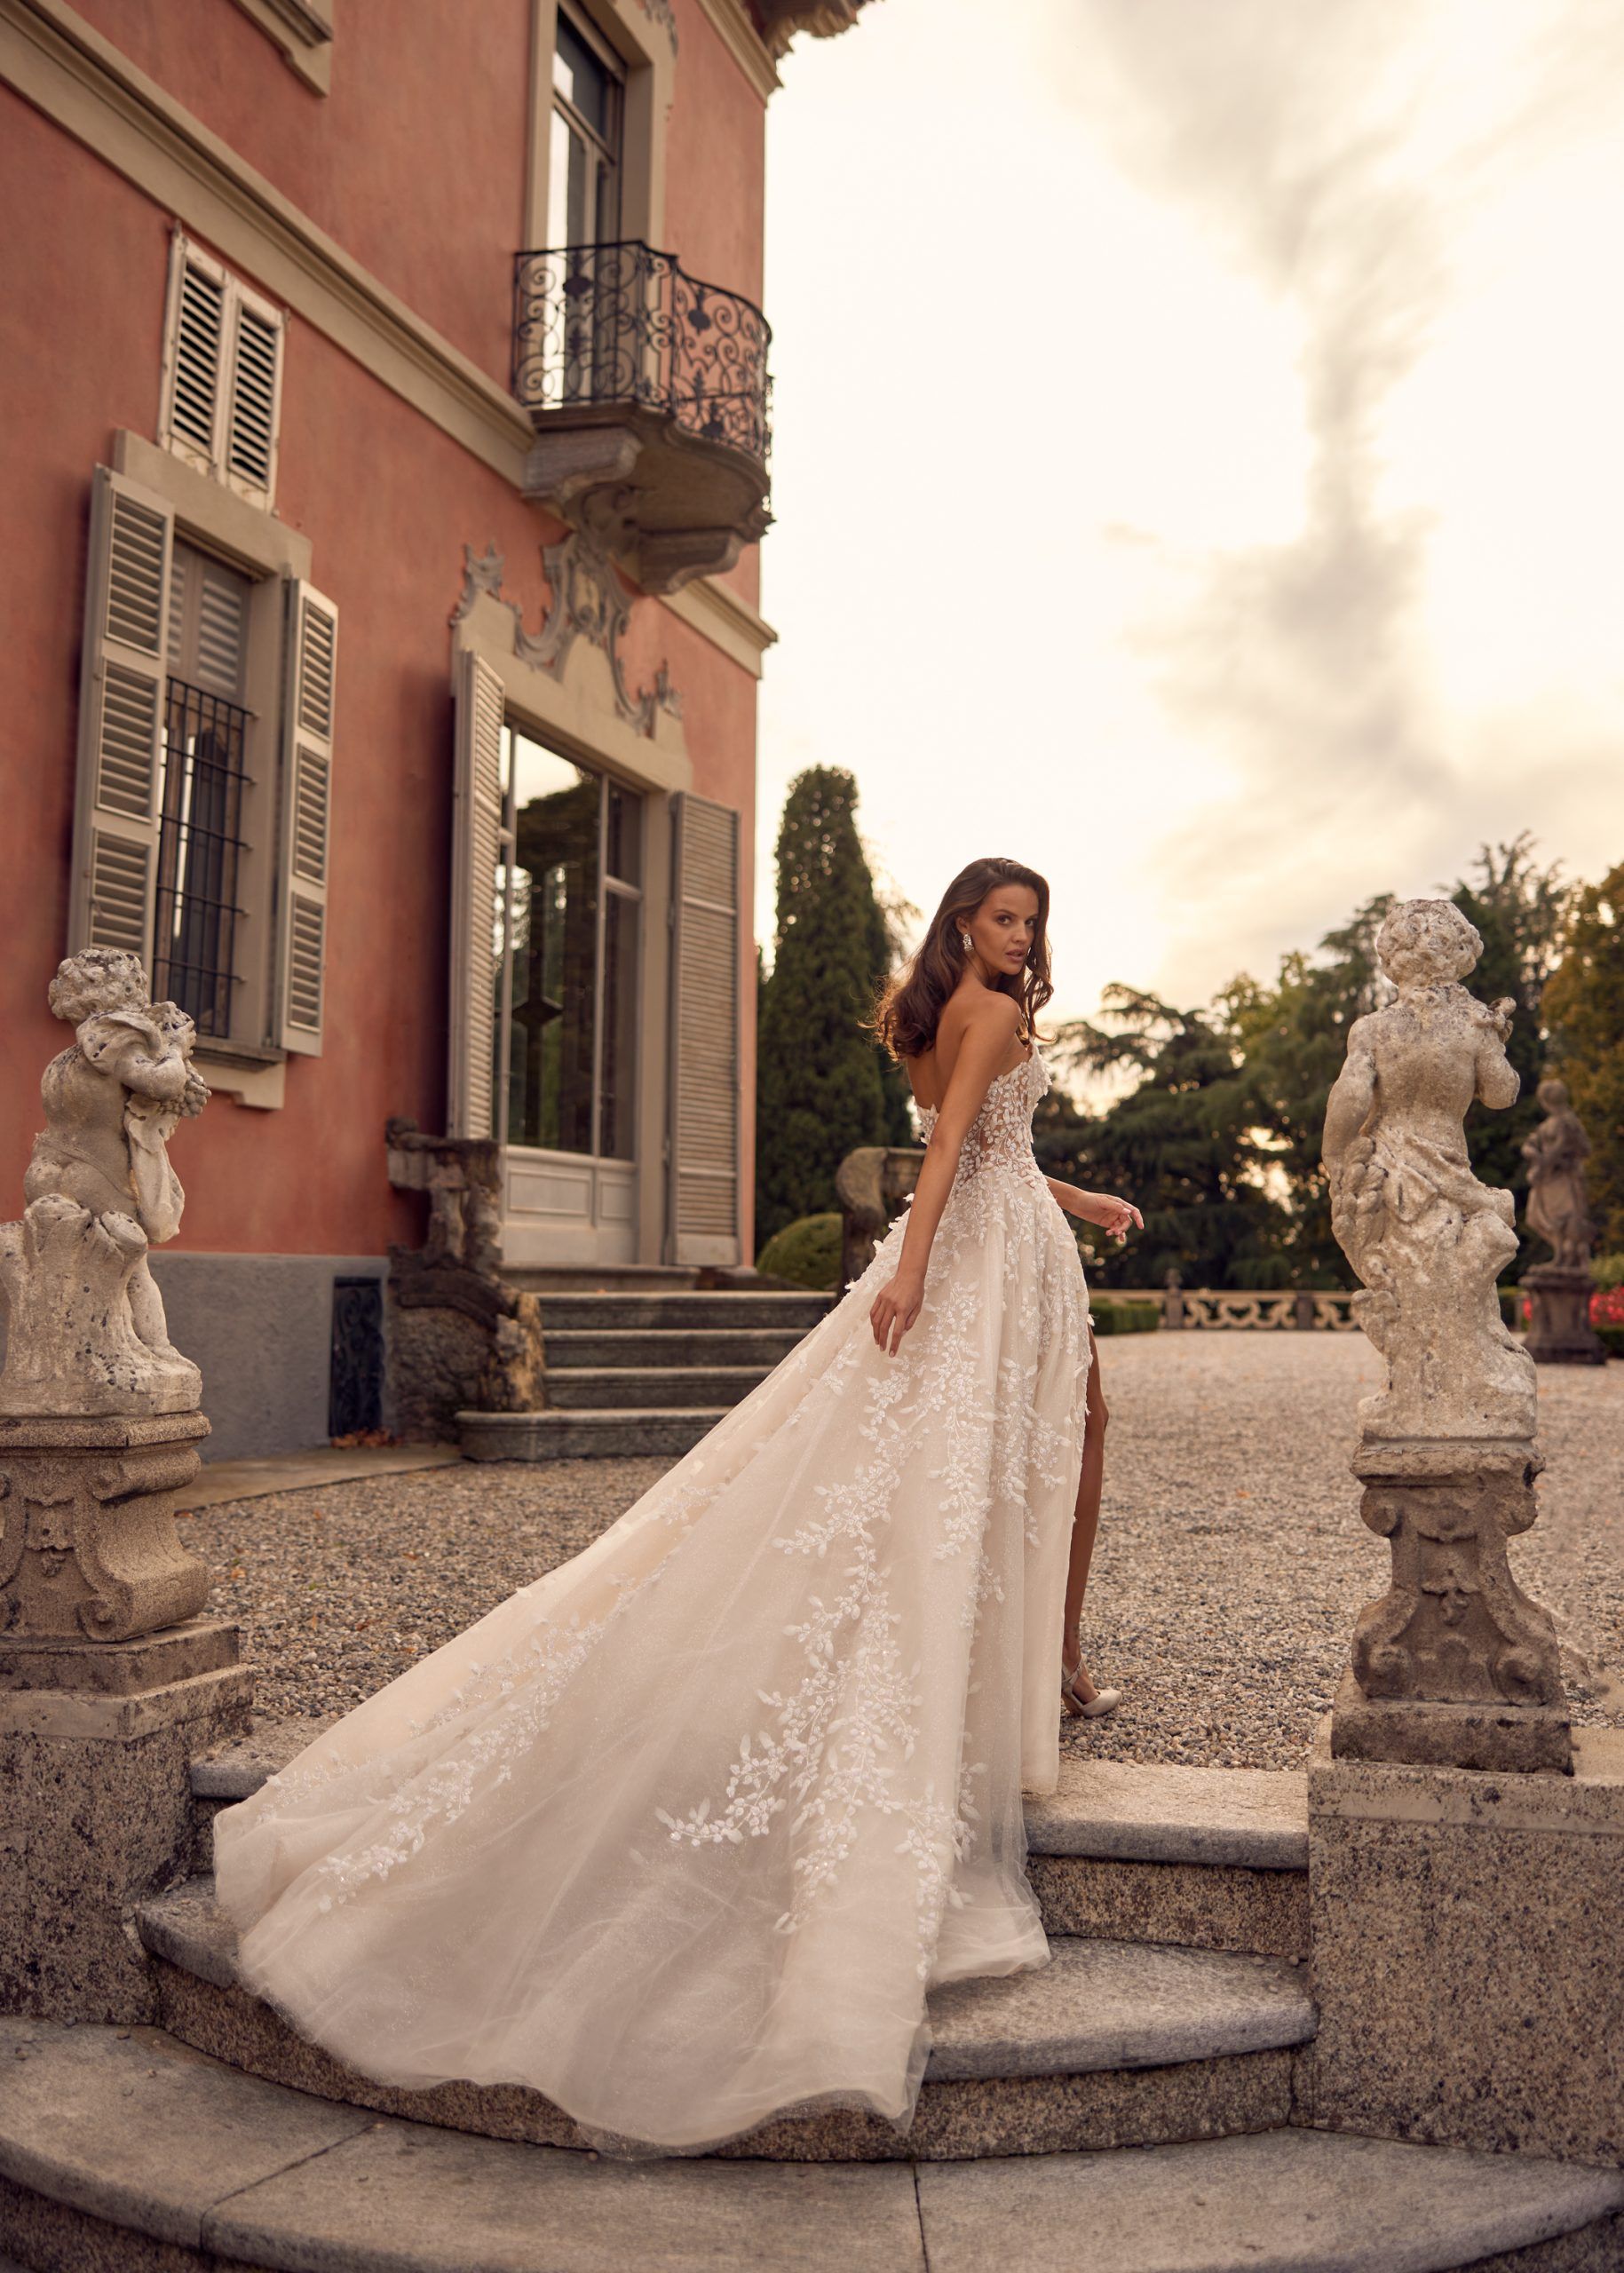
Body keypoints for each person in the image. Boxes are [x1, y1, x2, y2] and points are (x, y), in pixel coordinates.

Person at [211, 854, 1141, 2157]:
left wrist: (1075, 1195)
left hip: (1007, 1242)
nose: (1019, 936)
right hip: (975, 1265)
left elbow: (985, 1147)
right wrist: (912, 1270)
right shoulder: (983, 1015)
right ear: (961, 925)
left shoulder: (946, 1018)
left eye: (1032, 920)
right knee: (987, 1469)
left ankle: (1047, 1658)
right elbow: (942, 1165)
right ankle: (1038, 1662)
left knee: (992, 1466)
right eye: (1001, 918)